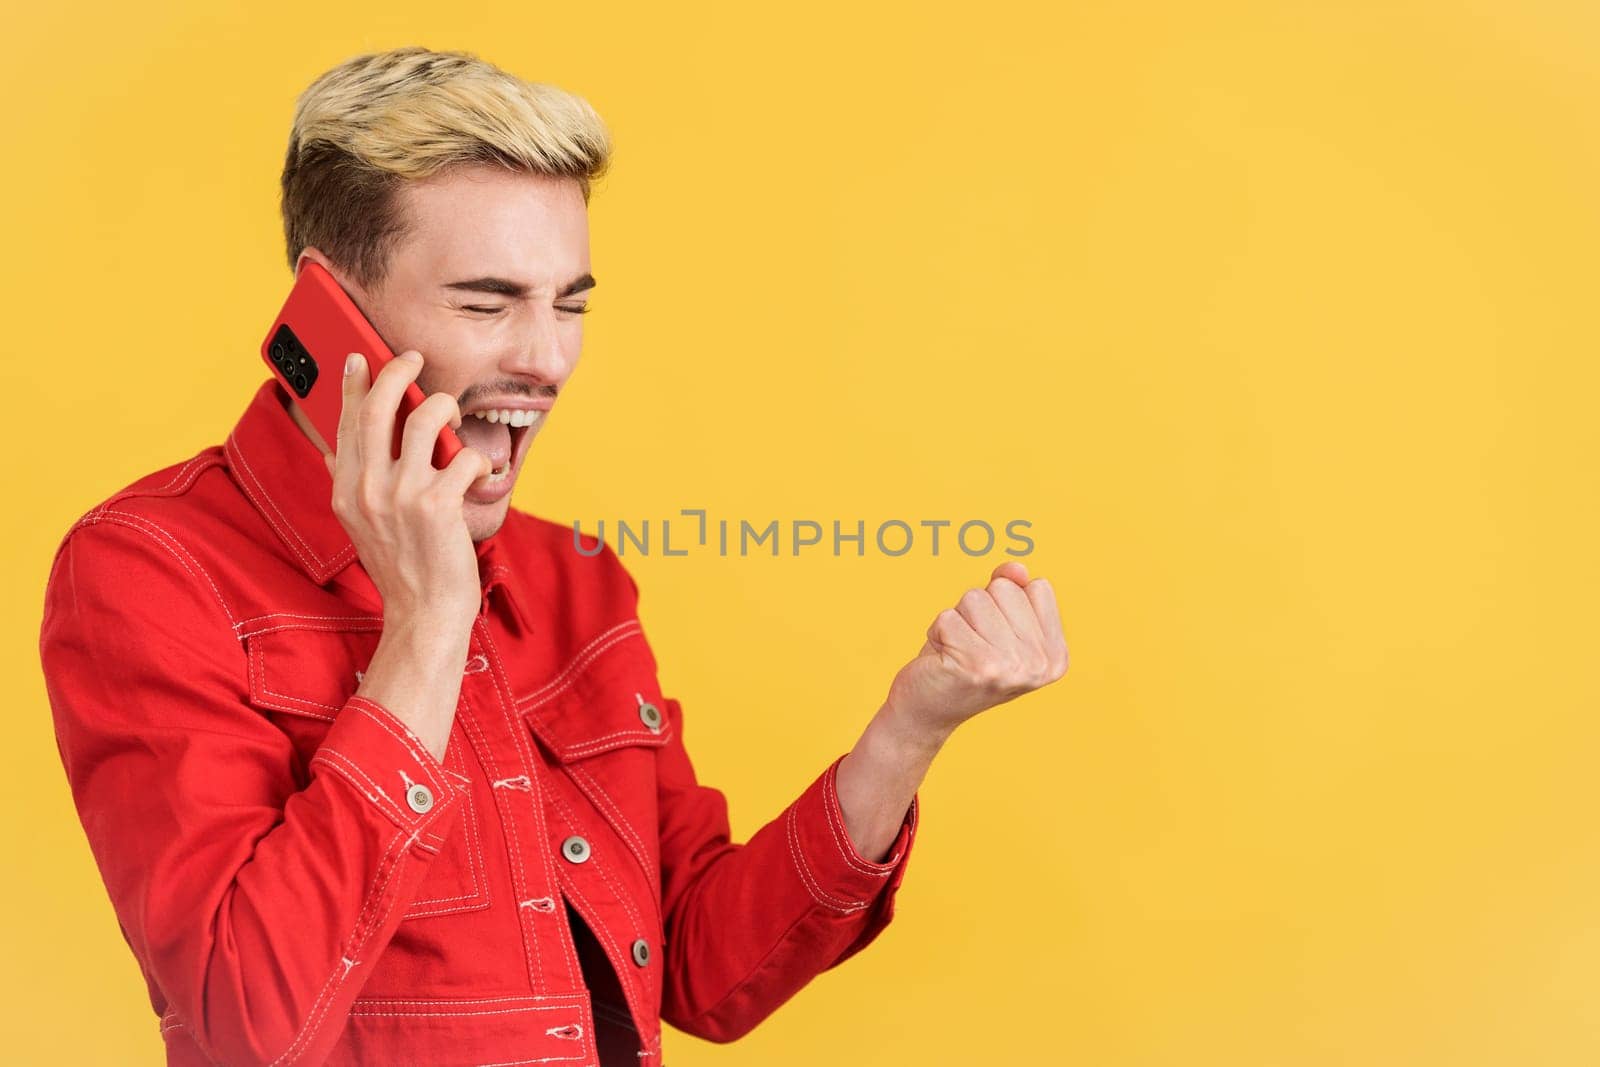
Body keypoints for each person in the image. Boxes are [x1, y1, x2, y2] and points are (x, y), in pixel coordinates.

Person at [37, 45, 1069, 1067]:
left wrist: (912, 724)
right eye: (487, 303)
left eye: (569, 301)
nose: (547, 358)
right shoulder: (147, 569)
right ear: (328, 309)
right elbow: (243, 1019)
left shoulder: (576, 581)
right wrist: (427, 624)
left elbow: (704, 971)